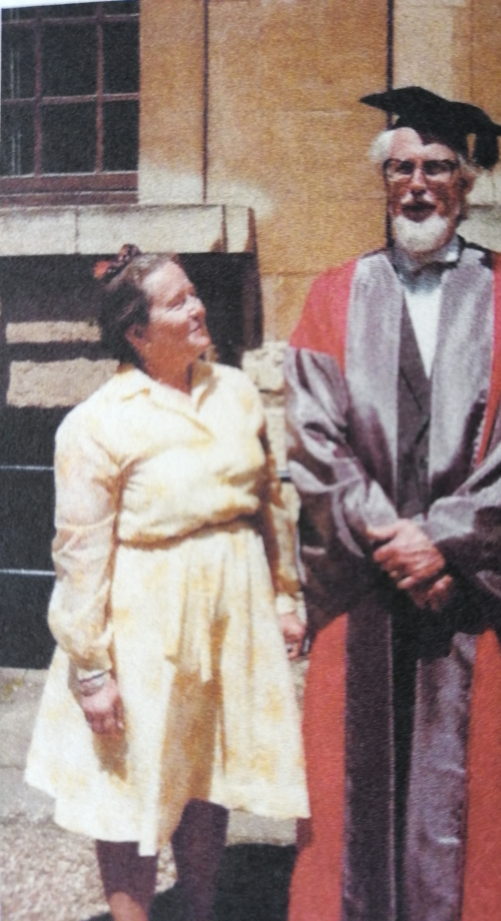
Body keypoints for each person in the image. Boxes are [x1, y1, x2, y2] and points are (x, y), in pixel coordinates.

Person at [284, 87, 501, 921]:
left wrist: (442, 541)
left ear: (466, 182)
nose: (417, 185)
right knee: (350, 782)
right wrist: (392, 539)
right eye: (401, 168)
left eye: (438, 167)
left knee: (477, 788)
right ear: (383, 182)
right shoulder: (333, 295)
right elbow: (314, 440)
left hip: (474, 584)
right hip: (367, 580)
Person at [25, 245, 308, 921]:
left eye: (194, 293)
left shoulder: (235, 392)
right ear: (137, 330)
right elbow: (80, 555)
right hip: (144, 626)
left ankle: (198, 910)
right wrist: (92, 671)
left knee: (206, 770)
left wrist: (284, 595)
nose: (198, 307)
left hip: (230, 614)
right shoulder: (97, 423)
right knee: (131, 788)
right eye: (178, 301)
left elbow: (268, 503)